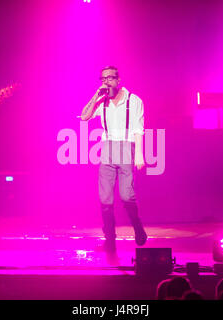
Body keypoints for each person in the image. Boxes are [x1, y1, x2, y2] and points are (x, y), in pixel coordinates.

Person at [81, 66, 147, 255]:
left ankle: (137, 226)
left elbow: (138, 129)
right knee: (105, 199)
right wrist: (95, 95)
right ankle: (110, 239)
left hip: (126, 147)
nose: (107, 81)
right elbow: (85, 117)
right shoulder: (102, 101)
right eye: (103, 78)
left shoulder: (133, 100)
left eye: (110, 78)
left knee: (127, 196)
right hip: (108, 148)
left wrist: (140, 154)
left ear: (119, 79)